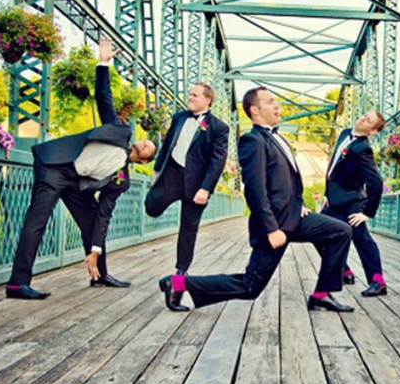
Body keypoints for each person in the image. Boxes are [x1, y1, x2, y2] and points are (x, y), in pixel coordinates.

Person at [159, 87, 354, 313]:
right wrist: (271, 229)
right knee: (250, 286)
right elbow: (255, 189)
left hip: (294, 217)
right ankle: (177, 283)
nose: (277, 106)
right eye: (271, 102)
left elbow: (287, 180)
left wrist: (299, 203)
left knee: (340, 231)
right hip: (274, 225)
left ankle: (321, 295)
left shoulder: (277, 137)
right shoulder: (252, 141)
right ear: (255, 110)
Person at [6, 37, 157, 300]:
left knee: (91, 223)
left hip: (78, 184)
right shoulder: (121, 130)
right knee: (37, 221)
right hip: (56, 167)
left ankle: (100, 274)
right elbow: (104, 98)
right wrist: (103, 63)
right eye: (145, 140)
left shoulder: (121, 181)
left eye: (149, 148)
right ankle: (18, 284)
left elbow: (103, 217)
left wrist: (95, 249)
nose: (144, 142)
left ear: (144, 161)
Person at [144, 80, 229, 311]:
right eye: (190, 94)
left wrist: (206, 189)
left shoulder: (219, 128)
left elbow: (217, 161)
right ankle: (158, 198)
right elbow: (167, 145)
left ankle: (179, 277)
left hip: (196, 185)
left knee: (188, 229)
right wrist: (155, 171)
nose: (190, 97)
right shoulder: (179, 117)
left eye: (194, 95)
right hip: (172, 174)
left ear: (207, 101)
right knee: (151, 206)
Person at [321, 110, 387, 297]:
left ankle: (378, 282)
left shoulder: (362, 149)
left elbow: (376, 182)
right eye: (365, 115)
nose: (363, 118)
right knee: (318, 235)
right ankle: (344, 271)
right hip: (334, 202)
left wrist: (367, 212)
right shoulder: (344, 133)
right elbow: (334, 166)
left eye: (369, 120)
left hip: (351, 204)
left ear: (372, 131)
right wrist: (328, 193)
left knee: (362, 240)